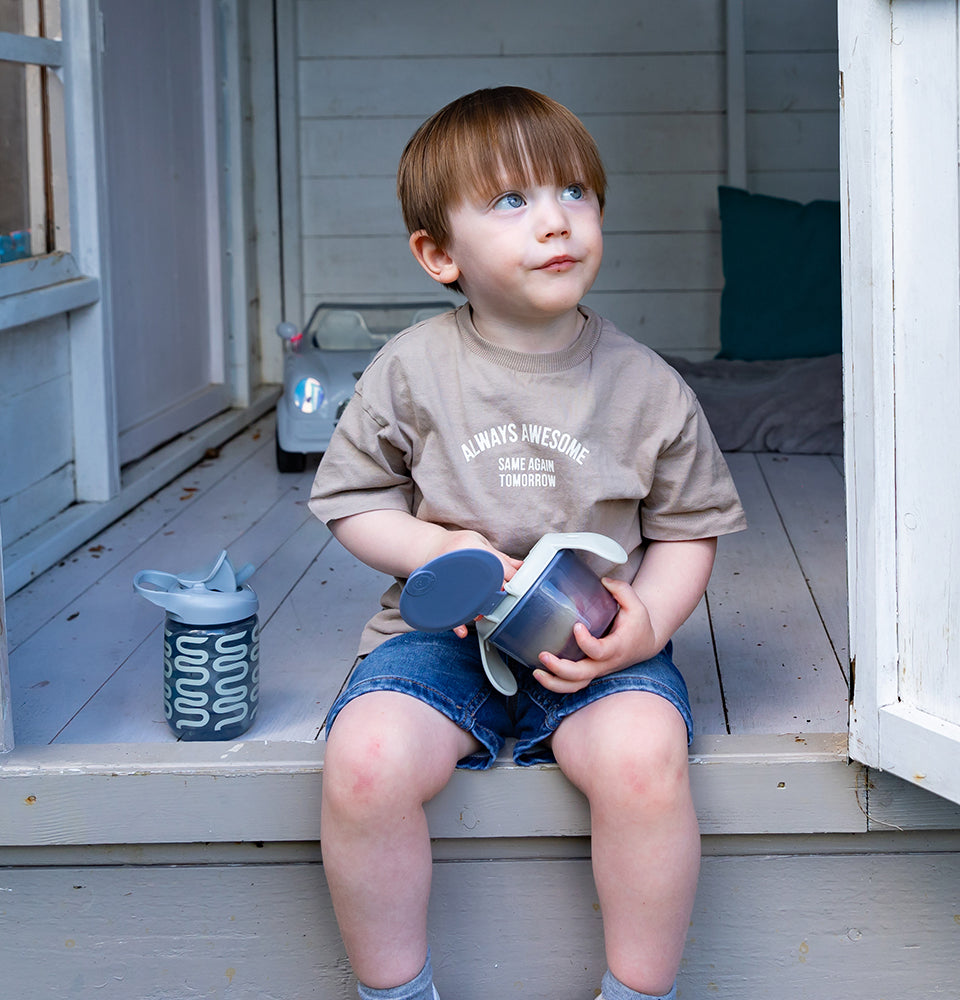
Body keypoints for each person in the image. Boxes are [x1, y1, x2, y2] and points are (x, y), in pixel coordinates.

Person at [308, 86, 746, 1000]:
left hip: (592, 643)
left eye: (574, 193)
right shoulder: (413, 370)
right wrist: (433, 547)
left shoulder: (649, 387)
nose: (554, 221)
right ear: (438, 254)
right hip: (442, 640)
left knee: (643, 759)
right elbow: (352, 502)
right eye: (512, 201)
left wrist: (646, 627)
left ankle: (636, 992)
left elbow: (687, 532)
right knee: (366, 761)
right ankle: (395, 993)